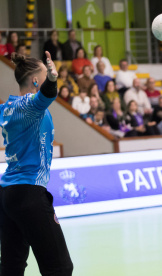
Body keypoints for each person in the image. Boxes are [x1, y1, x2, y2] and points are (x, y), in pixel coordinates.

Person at [0, 51, 73, 275]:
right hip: (29, 192)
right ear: (35, 81)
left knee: (11, 266)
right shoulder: (30, 106)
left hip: (7, 195)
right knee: (59, 267)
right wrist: (52, 79)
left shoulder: (6, 108)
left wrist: (49, 78)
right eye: (43, 75)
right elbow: (48, 94)